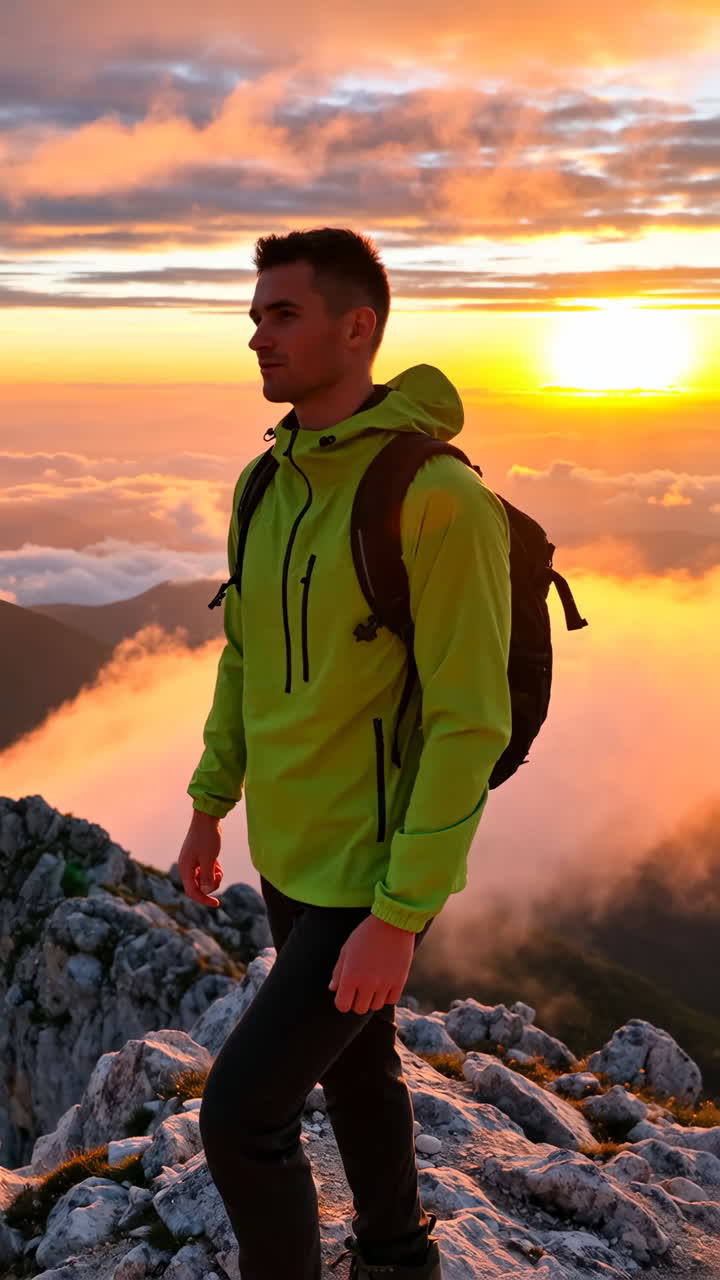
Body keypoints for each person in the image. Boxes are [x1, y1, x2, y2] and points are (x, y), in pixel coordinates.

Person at [179, 228, 512, 1279]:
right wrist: (210, 802)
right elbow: (246, 656)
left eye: (283, 314)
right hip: (290, 847)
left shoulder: (438, 498)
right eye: (255, 316)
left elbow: (470, 721)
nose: (257, 337)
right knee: (359, 1070)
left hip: (369, 871)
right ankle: (397, 1257)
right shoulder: (264, 484)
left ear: (358, 326)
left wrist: (399, 913)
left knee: (242, 1116)